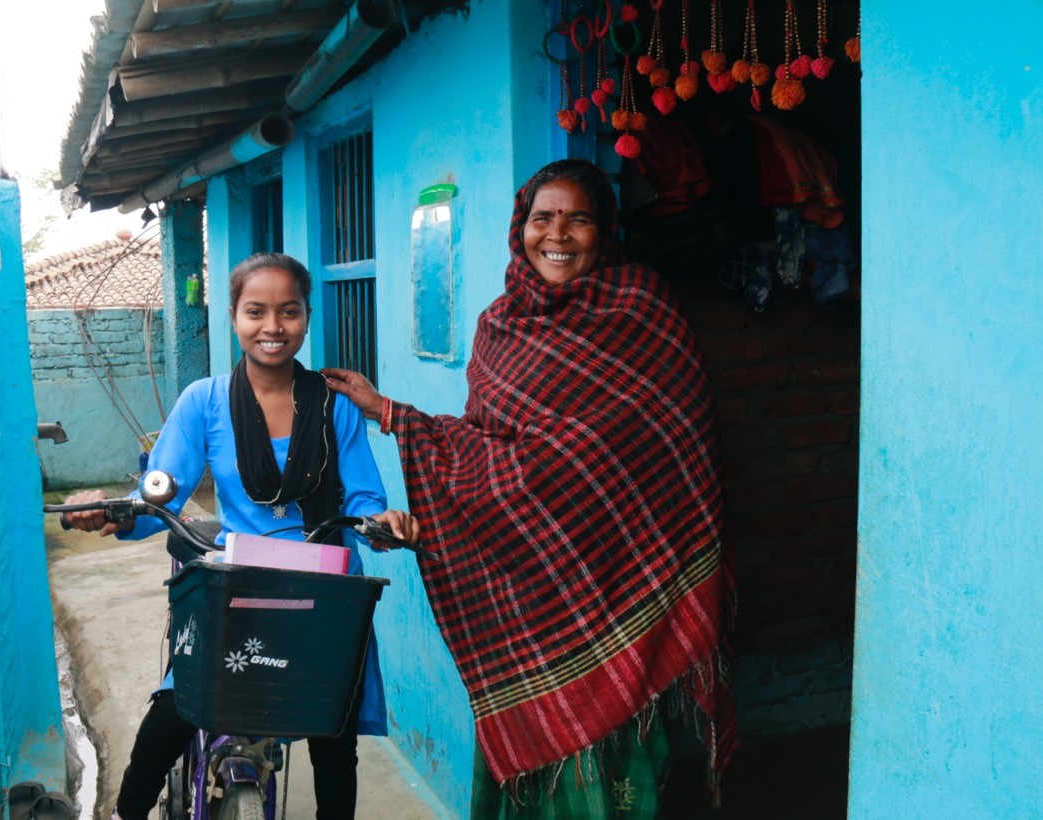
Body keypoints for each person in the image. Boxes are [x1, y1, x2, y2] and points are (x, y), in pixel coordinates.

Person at [324, 159, 735, 817]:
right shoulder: (498, 327)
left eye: (579, 219)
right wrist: (390, 413)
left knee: (628, 784)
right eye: (544, 218)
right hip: (537, 595)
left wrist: (399, 417)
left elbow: (667, 449)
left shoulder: (644, 309)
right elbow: (492, 457)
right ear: (522, 228)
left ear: (603, 230)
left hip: (632, 583)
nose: (559, 235)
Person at [62, 252, 419, 820]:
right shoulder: (204, 402)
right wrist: (114, 513)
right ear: (233, 316)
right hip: (238, 585)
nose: (272, 327)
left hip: (321, 588)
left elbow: (362, 498)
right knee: (177, 708)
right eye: (256, 311)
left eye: (288, 312)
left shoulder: (336, 406)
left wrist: (382, 525)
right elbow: (161, 496)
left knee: (333, 737)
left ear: (306, 316)